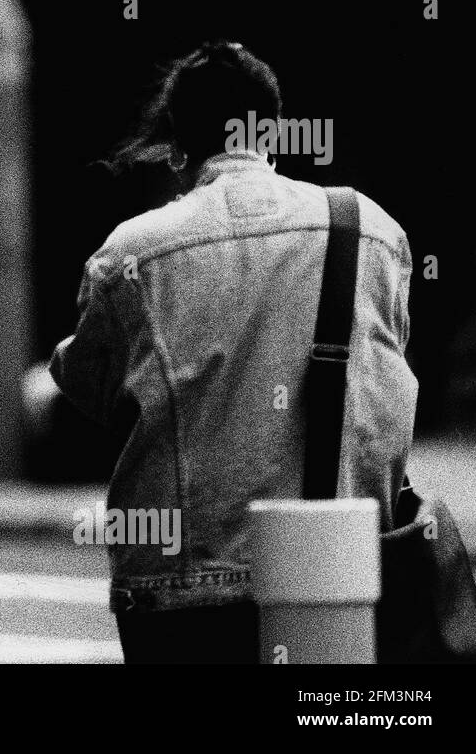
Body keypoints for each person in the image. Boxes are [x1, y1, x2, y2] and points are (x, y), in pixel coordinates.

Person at [49, 41, 417, 663]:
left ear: (177, 147)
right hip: (336, 570)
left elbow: (90, 389)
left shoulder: (133, 251)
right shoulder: (370, 229)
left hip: (182, 585)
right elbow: (386, 367)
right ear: (269, 131)